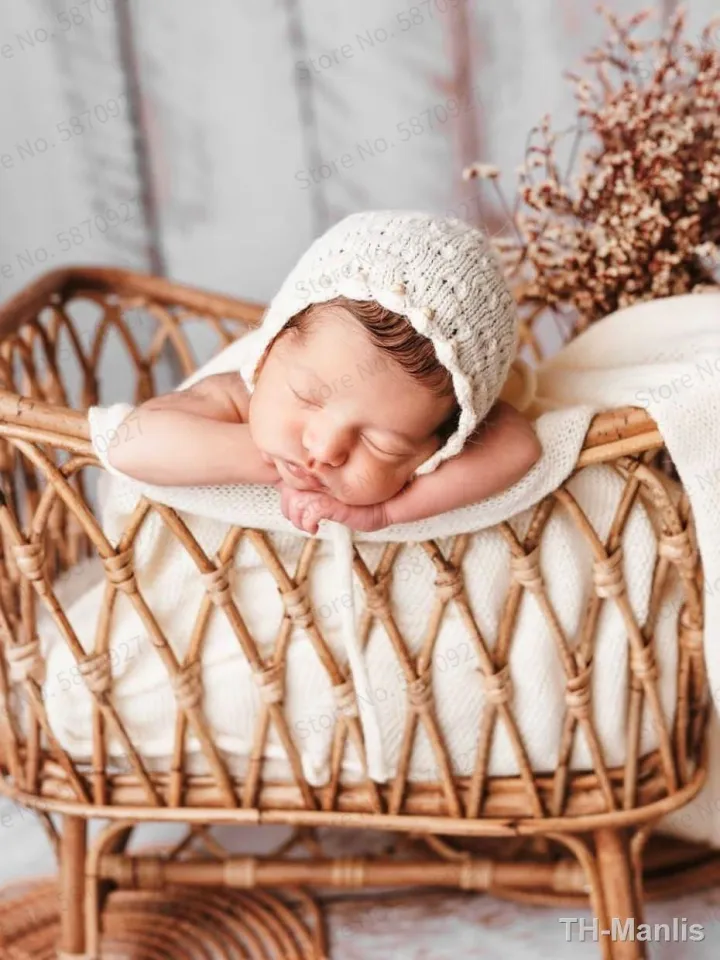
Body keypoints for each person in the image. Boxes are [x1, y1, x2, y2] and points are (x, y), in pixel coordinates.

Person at [107, 210, 541, 534]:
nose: (326, 449)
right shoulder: (242, 393)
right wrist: (271, 461)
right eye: (307, 396)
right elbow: (129, 445)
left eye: (381, 443)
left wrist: (385, 513)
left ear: (441, 444)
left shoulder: (440, 431)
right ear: (271, 345)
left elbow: (519, 446)